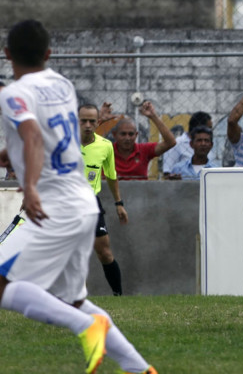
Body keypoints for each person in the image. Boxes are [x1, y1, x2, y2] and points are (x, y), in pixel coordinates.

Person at [0, 20, 156, 374]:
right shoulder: (62, 84)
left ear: (7, 55)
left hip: (54, 204)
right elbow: (50, 136)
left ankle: (86, 328)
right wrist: (11, 154)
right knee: (75, 299)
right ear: (49, 54)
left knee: (5, 286)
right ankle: (140, 369)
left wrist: (31, 186)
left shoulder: (12, 94)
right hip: (85, 202)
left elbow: (32, 135)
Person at [79, 104, 127, 296]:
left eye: (92, 121)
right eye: (84, 121)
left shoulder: (105, 146)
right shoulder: (64, 143)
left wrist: (119, 203)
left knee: (104, 252)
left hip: (90, 204)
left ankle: (118, 295)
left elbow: (112, 176)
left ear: (98, 123)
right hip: (65, 203)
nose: (88, 125)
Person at [112, 100, 176, 180]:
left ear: (136, 135)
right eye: (123, 134)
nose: (127, 138)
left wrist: (153, 116)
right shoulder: (106, 150)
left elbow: (171, 142)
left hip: (139, 191)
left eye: (131, 134)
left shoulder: (143, 150)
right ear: (115, 135)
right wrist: (100, 120)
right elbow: (91, 145)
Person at [162, 111, 219, 177]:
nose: (203, 143)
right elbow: (168, 171)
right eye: (209, 127)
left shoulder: (207, 144)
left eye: (206, 140)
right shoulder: (177, 143)